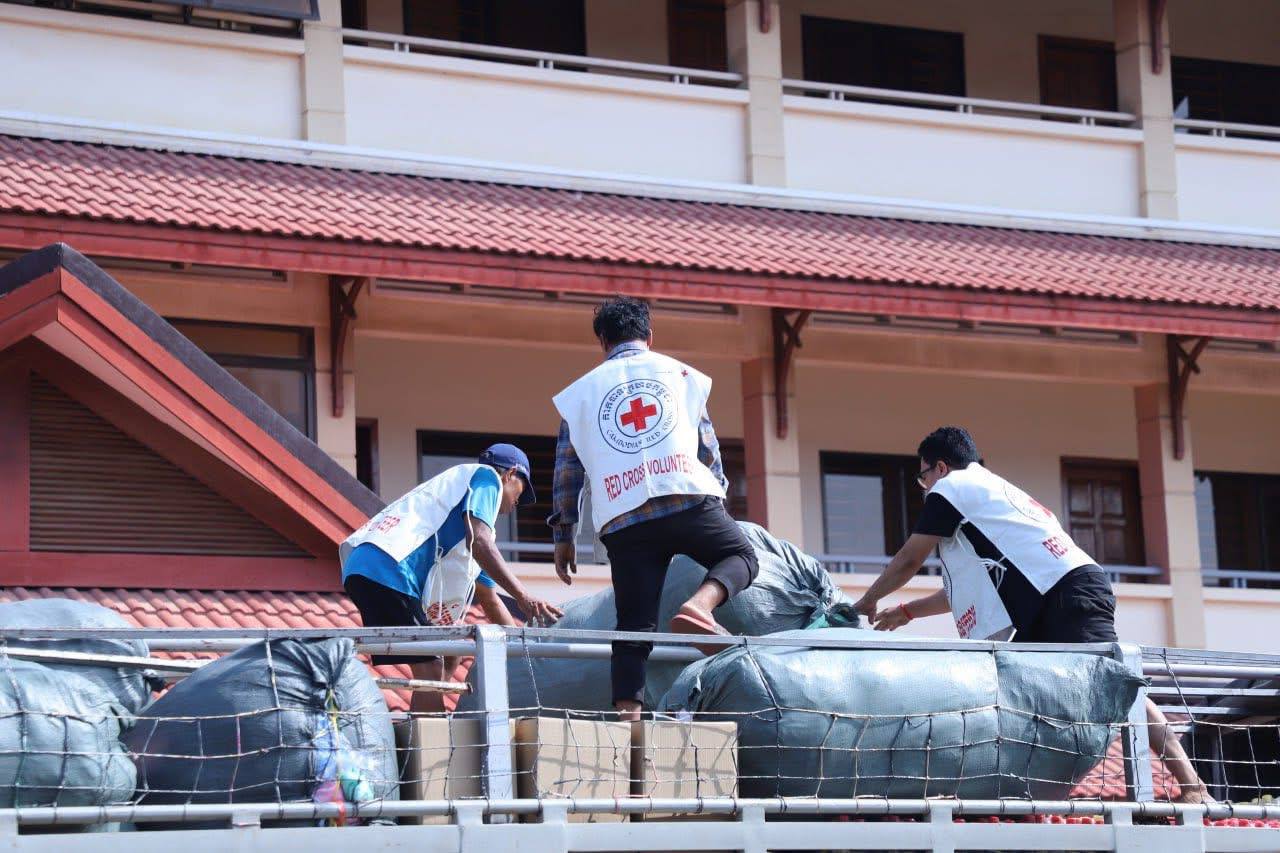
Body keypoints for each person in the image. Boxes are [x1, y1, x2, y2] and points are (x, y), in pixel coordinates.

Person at [854, 426, 1212, 804]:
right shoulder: (988, 494)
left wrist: (866, 601)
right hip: (1055, 596)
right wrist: (908, 611)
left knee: (1115, 688)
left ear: (940, 468)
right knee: (1019, 692)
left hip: (1063, 593)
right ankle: (1018, 793)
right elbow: (969, 589)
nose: (923, 486)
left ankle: (1192, 785)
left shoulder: (951, 489)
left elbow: (910, 558)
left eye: (922, 476)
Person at [549, 297, 759, 721]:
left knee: (632, 626)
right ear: (649, 334)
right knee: (741, 556)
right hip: (687, 498)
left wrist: (564, 536)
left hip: (624, 518)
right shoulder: (681, 375)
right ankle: (700, 606)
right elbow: (708, 448)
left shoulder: (580, 395)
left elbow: (567, 470)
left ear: (603, 342)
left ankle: (630, 732)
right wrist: (716, 502)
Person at [340, 443, 563, 712]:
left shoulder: (473, 530)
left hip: (368, 567)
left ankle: (429, 720)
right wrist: (524, 596)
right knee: (430, 664)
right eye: (521, 491)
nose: (518, 502)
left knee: (450, 654)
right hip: (388, 568)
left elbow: (490, 599)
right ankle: (429, 733)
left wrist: (523, 648)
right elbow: (480, 542)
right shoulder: (486, 479)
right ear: (510, 474)